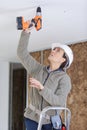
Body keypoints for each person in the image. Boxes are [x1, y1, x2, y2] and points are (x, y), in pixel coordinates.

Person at [17, 28, 73, 130]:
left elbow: (59, 102)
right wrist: (26, 33)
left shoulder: (64, 79)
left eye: (58, 50)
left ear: (63, 59)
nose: (53, 50)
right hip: (31, 120)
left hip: (49, 123)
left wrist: (42, 88)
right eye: (54, 49)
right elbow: (22, 53)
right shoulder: (38, 69)